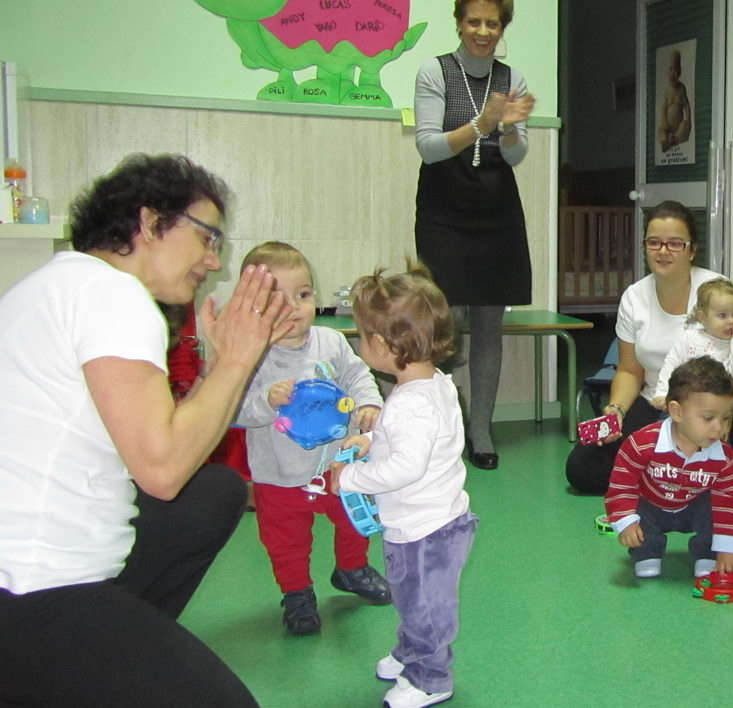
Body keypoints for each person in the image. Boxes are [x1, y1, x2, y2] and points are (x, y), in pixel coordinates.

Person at [0, 153, 289, 706]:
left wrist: (215, 369)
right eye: (207, 238)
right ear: (151, 221)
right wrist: (237, 363)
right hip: (30, 588)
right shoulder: (114, 295)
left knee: (214, 493)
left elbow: (142, 440)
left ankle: (108, 659)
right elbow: (160, 469)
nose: (212, 261)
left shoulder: (60, 283)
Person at [330, 266, 476, 708]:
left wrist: (350, 477)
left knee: (424, 607)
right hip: (430, 521)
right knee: (414, 599)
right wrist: (371, 439)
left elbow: (404, 468)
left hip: (424, 532)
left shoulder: (412, 402)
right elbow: (409, 442)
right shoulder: (429, 384)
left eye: (361, 334)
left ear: (384, 345)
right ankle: (411, 652)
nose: (359, 342)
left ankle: (432, 677)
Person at [232, 241, 389, 635]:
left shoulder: (330, 341)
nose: (295, 308)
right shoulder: (250, 356)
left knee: (355, 518)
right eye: (277, 300)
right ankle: (297, 593)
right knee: (285, 540)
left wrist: (369, 404)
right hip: (280, 473)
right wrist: (266, 401)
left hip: (339, 462)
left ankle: (352, 569)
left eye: (302, 295)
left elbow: (357, 375)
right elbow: (233, 409)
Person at [413, 0, 537, 470]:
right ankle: (439, 426)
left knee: (489, 323)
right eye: (474, 21)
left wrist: (506, 128)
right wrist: (480, 125)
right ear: (459, 22)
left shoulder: (513, 79)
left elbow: (516, 155)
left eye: (492, 22)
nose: (483, 30)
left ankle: (480, 431)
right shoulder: (435, 72)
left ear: (502, 26)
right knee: (447, 321)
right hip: (445, 206)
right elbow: (427, 146)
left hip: (496, 207)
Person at [566, 201, 733, 494]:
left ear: (692, 250)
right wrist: (616, 411)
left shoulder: (720, 291)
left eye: (675, 244)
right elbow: (630, 370)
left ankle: (662, 478)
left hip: (722, 409)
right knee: (582, 468)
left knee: (690, 471)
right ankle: (661, 478)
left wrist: (717, 413)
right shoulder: (634, 297)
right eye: (654, 242)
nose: (663, 251)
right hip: (657, 403)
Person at [604, 356, 733, 579]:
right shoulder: (642, 443)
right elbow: (622, 484)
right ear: (677, 412)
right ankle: (647, 552)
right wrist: (625, 521)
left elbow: (731, 501)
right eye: (708, 418)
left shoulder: (725, 457)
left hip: (693, 506)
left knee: (715, 505)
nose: (719, 428)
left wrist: (728, 546)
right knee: (638, 510)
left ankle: (707, 552)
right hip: (651, 504)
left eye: (726, 418)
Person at [650, 277, 733, 458]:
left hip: (731, 414)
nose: (731, 320)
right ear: (702, 317)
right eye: (722, 315)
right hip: (692, 410)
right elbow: (671, 364)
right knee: (666, 429)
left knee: (722, 452)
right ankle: (667, 465)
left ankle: (714, 470)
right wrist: (662, 393)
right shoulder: (690, 338)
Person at [656, 49, 691, 153]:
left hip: (678, 125)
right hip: (669, 126)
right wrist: (664, 122)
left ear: (680, 71)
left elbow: (686, 106)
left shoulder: (682, 88)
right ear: (667, 73)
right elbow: (663, 108)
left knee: (684, 126)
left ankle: (674, 138)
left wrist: (688, 120)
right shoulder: (667, 90)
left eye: (675, 69)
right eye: (670, 69)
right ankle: (665, 141)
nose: (672, 73)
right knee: (660, 130)